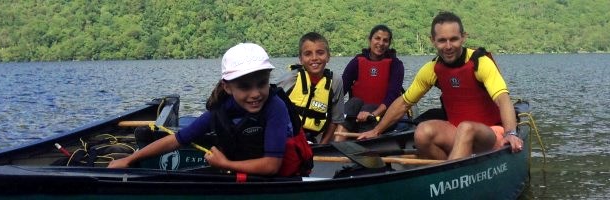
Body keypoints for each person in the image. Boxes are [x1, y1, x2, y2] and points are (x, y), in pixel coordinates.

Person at [109, 43, 302, 177]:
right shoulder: (221, 110)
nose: (256, 94)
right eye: (244, 87)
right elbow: (177, 140)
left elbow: (271, 165)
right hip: (241, 169)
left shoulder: (276, 107)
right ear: (228, 87)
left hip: (274, 175)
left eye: (262, 84)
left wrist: (225, 165)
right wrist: (129, 159)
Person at [358, 11, 523, 160]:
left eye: (454, 39)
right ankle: (446, 172)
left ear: (463, 37)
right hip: (457, 132)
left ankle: (449, 177)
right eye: (442, 41)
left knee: (466, 128)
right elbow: (404, 103)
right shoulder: (431, 69)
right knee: (422, 131)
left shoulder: (480, 62)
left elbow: (502, 98)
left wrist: (511, 133)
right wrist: (376, 131)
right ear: (433, 41)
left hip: (492, 133)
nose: (448, 46)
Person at [336, 24, 406, 141]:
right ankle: (337, 146)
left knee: (367, 109)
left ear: (389, 43)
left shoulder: (396, 65)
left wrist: (374, 114)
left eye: (385, 40)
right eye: (377, 38)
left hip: (381, 114)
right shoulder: (357, 61)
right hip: (356, 114)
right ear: (370, 40)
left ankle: (362, 143)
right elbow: (341, 90)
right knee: (353, 102)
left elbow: (392, 96)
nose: (381, 43)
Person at [277, 32, 345, 144]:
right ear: (301, 59)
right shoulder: (290, 79)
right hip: (287, 138)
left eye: (320, 53)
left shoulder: (335, 82)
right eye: (308, 54)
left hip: (314, 140)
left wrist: (322, 146)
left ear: (328, 56)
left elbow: (335, 120)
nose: (314, 58)